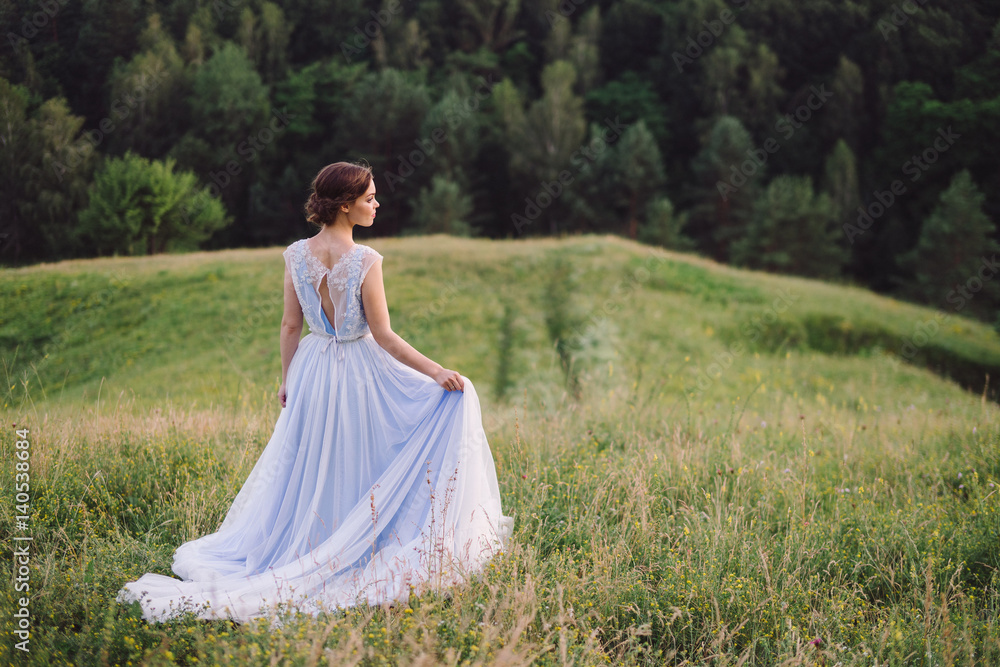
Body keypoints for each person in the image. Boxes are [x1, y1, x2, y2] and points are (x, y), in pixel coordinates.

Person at [117, 161, 513, 623]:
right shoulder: (366, 261)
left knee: (312, 462)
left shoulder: (295, 254)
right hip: (359, 369)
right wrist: (436, 370)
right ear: (345, 206)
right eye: (369, 198)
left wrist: (288, 379)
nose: (376, 203)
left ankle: (316, 540)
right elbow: (384, 336)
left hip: (313, 367)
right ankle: (351, 545)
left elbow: (290, 325)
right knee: (360, 454)